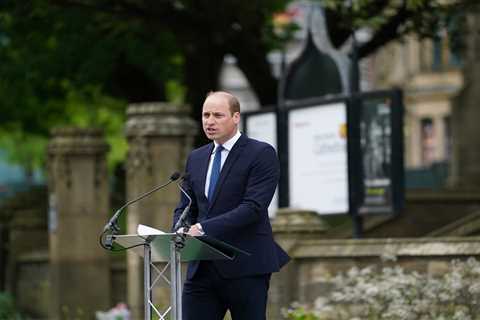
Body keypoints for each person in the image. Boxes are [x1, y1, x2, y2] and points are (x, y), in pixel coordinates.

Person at [173, 91, 290, 320]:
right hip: (202, 269)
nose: (209, 121)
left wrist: (203, 228)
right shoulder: (196, 158)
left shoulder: (261, 153)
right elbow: (187, 205)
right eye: (206, 115)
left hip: (245, 265)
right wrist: (179, 228)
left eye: (218, 115)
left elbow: (253, 207)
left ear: (236, 117)